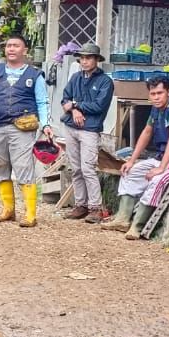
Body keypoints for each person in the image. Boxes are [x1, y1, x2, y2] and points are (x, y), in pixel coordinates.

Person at [106, 71, 169, 239]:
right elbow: (147, 132)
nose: (156, 97)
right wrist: (131, 160)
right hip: (163, 155)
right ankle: (122, 219)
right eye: (153, 94)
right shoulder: (156, 109)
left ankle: (137, 225)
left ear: (168, 92)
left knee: (158, 180)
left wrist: (162, 167)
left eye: (159, 93)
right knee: (130, 171)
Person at [0, 32, 51, 227]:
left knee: (24, 167)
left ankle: (30, 214)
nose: (11, 49)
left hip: (23, 127)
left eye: (16, 46)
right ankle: (8, 210)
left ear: (25, 50)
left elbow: (42, 101)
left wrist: (46, 124)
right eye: (8, 46)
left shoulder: (35, 75)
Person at [59, 42, 114, 222]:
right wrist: (74, 110)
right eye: (82, 58)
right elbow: (65, 99)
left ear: (97, 60)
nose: (84, 61)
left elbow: (99, 106)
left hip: (90, 129)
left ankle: (96, 207)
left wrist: (75, 106)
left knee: (88, 168)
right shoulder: (75, 77)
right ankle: (80, 205)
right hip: (71, 126)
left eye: (88, 57)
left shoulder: (105, 81)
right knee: (75, 168)